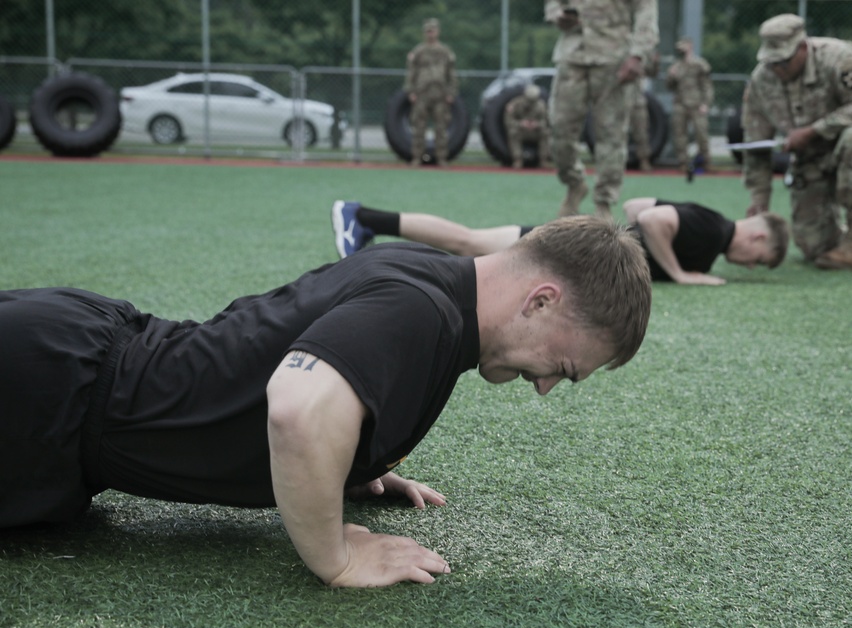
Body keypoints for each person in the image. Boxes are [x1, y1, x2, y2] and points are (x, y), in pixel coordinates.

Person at [0, 217, 652, 589]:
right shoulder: (422, 311)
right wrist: (336, 556)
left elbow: (285, 346)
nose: (544, 386)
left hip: (67, 365)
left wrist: (349, 455)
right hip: (42, 393)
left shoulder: (434, 284)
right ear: (540, 301)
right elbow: (296, 405)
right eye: (563, 368)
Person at [332, 198, 789, 286]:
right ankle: (362, 215)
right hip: (567, 246)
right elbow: (650, 215)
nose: (749, 264)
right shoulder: (714, 229)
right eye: (759, 258)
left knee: (466, 249)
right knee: (468, 243)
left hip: (574, 246)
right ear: (759, 234)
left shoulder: (711, 228)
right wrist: (679, 273)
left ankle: (370, 224)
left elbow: (635, 205)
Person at [742, 13, 852, 270]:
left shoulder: (838, 58)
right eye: (772, 62)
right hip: (811, 158)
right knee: (815, 248)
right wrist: (760, 203)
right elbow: (756, 144)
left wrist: (813, 130)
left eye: (784, 62)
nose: (778, 69)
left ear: (803, 47)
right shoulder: (761, 80)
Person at [544, 0, 659, 220]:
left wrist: (638, 55)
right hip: (572, 53)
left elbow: (646, 11)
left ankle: (603, 202)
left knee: (611, 134)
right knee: (560, 128)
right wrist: (557, 14)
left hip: (614, 58)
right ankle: (574, 183)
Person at [405, 18, 458, 167]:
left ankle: (441, 158)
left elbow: (451, 73)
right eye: (428, 31)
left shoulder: (445, 51)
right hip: (422, 93)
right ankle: (417, 157)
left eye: (433, 30)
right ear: (424, 33)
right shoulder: (419, 51)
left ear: (438, 31)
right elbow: (411, 72)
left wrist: (451, 92)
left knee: (441, 127)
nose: (430, 33)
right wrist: (411, 91)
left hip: (440, 93)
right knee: (419, 126)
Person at [665, 38, 713, 174]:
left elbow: (707, 86)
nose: (681, 50)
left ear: (690, 46)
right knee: (680, 135)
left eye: (683, 47)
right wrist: (671, 76)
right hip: (680, 104)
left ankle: (705, 162)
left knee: (701, 134)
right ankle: (683, 164)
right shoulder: (676, 67)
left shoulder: (700, 64)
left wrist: (706, 103)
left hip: (697, 104)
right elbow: (669, 87)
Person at [503, 84, 552, 169]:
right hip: (521, 131)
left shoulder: (541, 105)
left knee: (546, 133)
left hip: (535, 131)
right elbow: (508, 121)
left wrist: (537, 124)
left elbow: (546, 121)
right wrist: (521, 123)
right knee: (513, 132)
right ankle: (517, 160)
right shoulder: (515, 104)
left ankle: (544, 160)